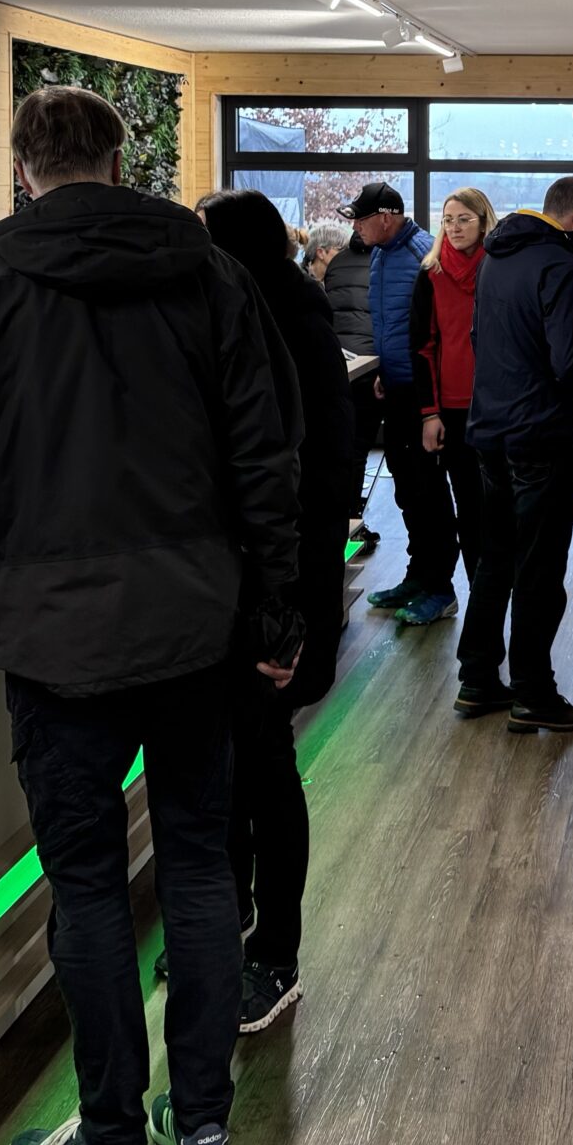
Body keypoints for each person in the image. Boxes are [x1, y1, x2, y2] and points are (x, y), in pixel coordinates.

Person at [0, 87, 301, 1145]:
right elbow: (267, 452)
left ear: (23, 169)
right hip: (196, 625)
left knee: (89, 888)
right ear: (119, 161)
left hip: (56, 635)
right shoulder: (211, 272)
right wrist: (276, 610)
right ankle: (201, 1127)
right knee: (200, 867)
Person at [198, 190, 353, 1037]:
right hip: (252, 587)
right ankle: (236, 920)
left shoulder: (280, 320)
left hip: (272, 591)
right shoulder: (265, 309)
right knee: (235, 769)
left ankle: (274, 953)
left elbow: (310, 478)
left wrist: (284, 609)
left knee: (261, 771)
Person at [459, 176, 573, 732]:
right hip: (542, 436)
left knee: (495, 558)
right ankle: (533, 692)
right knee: (540, 569)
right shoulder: (561, 267)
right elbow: (571, 361)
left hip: (491, 430)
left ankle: (477, 678)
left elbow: (480, 340)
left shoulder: (496, 258)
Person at [351, 184, 457, 614]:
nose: (356, 228)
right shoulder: (379, 254)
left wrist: (431, 402)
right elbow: (392, 324)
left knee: (429, 490)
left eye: (361, 219)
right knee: (406, 491)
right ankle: (419, 574)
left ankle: (441, 588)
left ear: (386, 217)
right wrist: (385, 370)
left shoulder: (424, 254)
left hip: (424, 395)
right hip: (395, 386)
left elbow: (437, 332)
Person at [403, 186, 496, 628]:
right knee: (462, 507)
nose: (455, 227)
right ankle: (467, 601)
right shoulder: (431, 273)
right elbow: (422, 347)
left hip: (496, 408)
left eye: (464, 219)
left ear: (483, 221)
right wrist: (430, 413)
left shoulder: (498, 270)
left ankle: (489, 602)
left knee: (491, 512)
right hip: (452, 411)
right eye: (448, 220)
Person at [316, 222, 381, 561]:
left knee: (343, 447)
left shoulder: (338, 263)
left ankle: (344, 526)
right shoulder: (385, 260)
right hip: (374, 366)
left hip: (340, 366)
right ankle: (353, 521)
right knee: (361, 448)